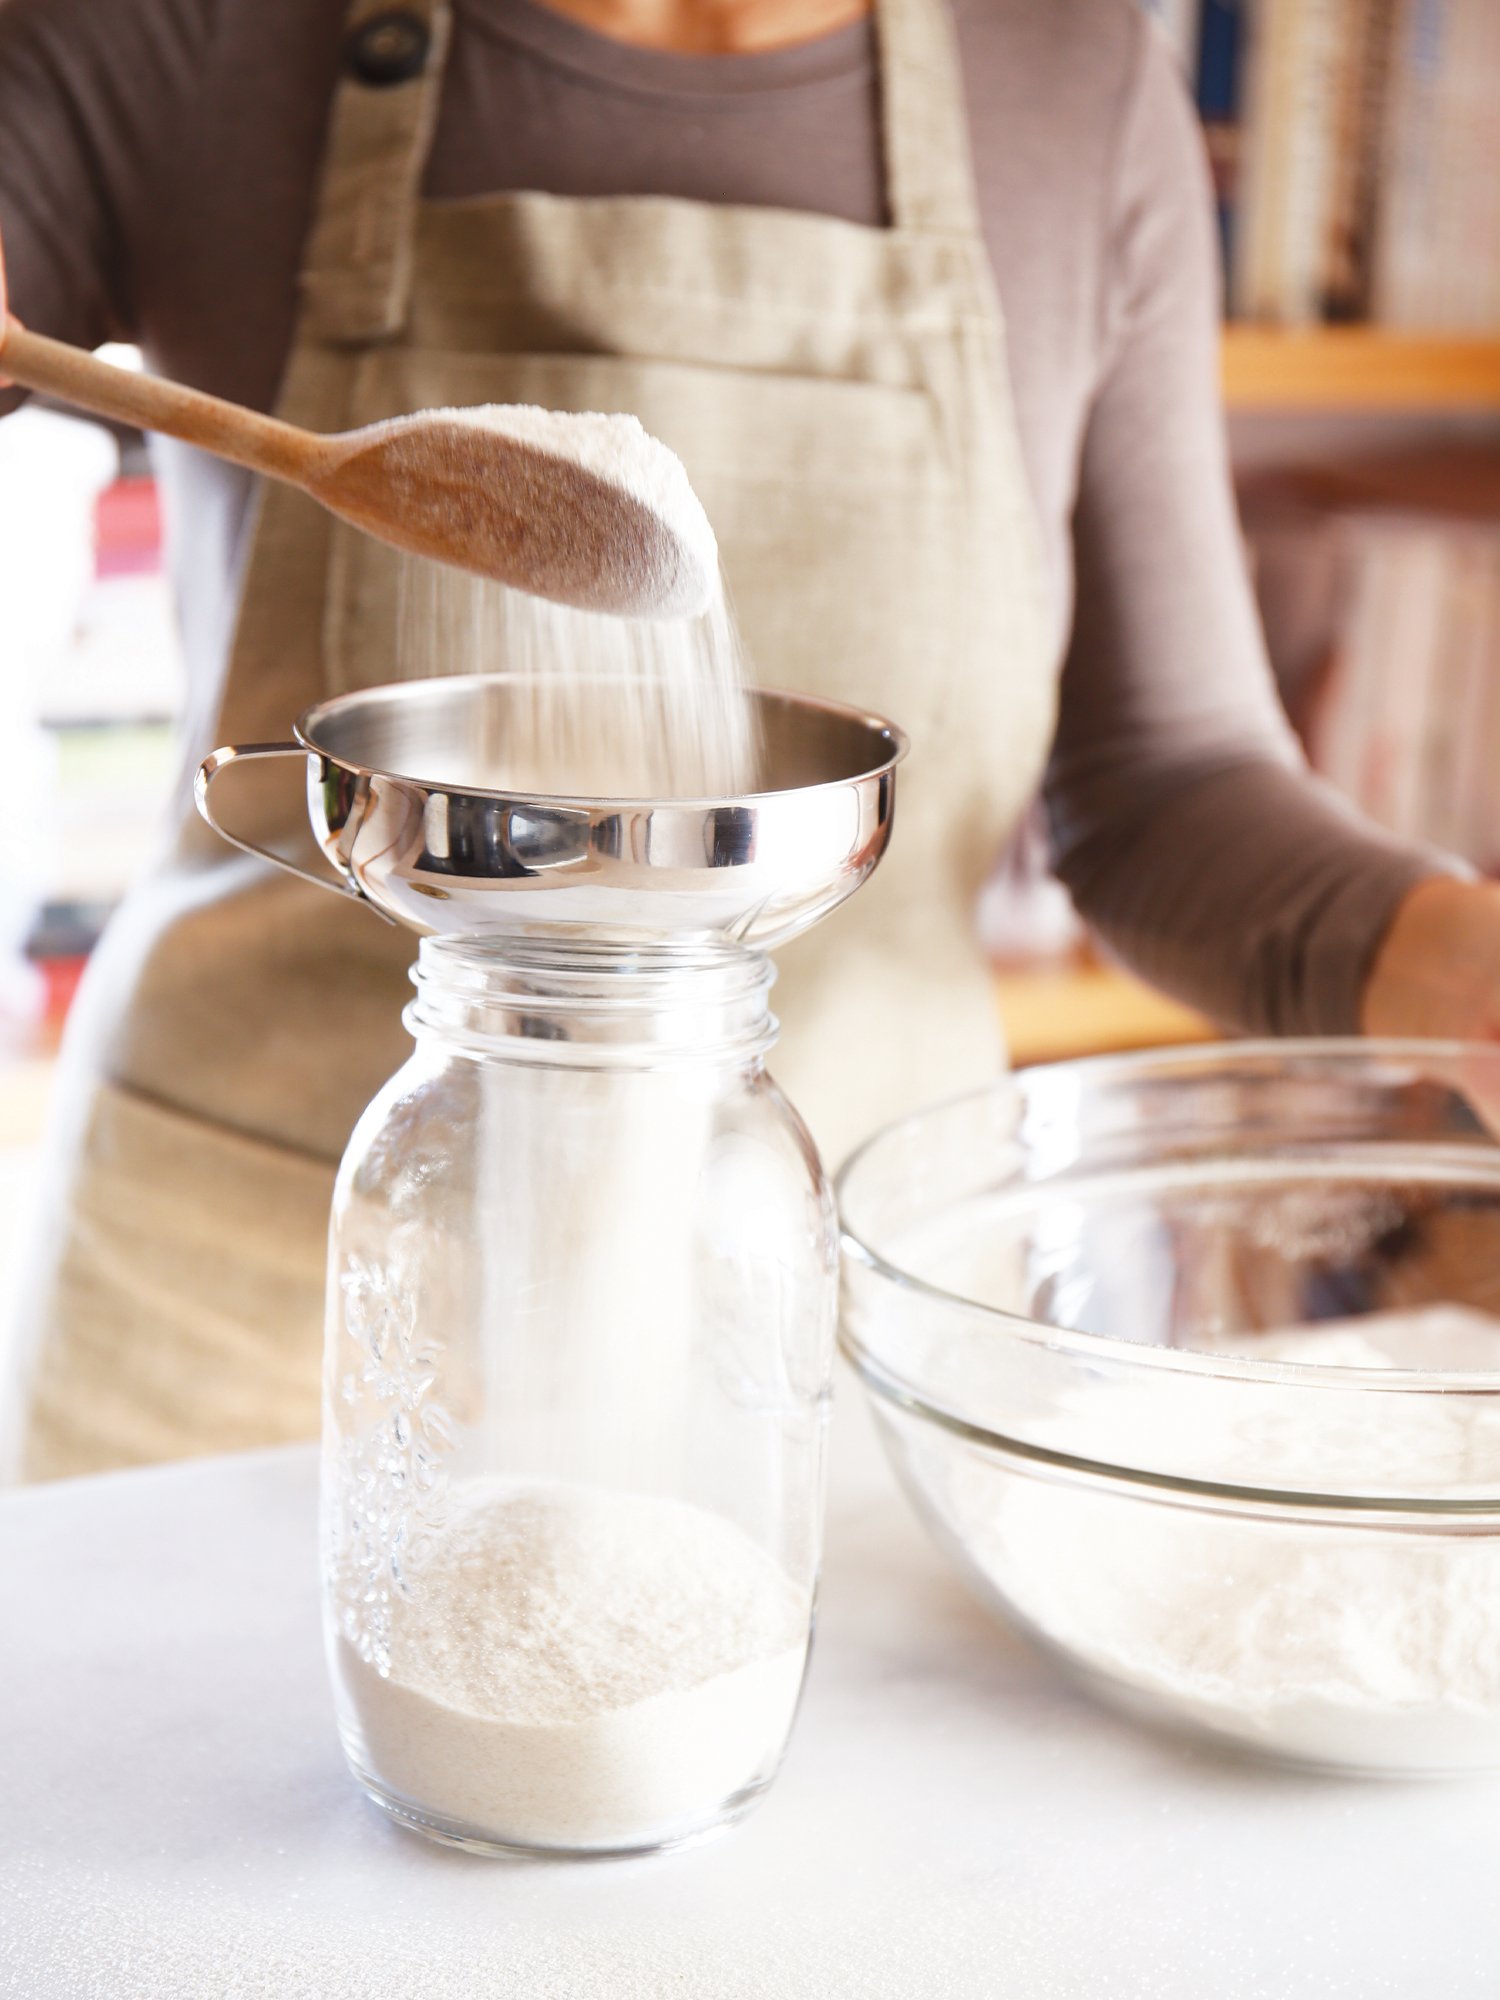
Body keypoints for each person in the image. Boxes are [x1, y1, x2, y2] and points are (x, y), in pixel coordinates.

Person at [0, 0, 1495, 1482]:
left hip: (808, 1280)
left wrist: (1462, 969)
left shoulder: (1072, 87)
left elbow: (1167, 784)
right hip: (259, 1282)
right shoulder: (185, 34)